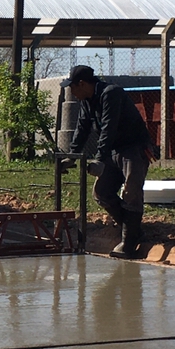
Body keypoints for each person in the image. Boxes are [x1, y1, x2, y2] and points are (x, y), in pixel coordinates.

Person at [66, 63, 153, 259]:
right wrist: (72, 155)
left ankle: (129, 244)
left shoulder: (110, 93)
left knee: (131, 192)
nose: (71, 92)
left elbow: (109, 127)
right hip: (113, 149)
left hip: (133, 148)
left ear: (82, 84)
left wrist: (99, 159)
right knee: (101, 192)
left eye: (72, 87)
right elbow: (82, 128)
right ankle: (134, 232)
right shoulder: (87, 100)